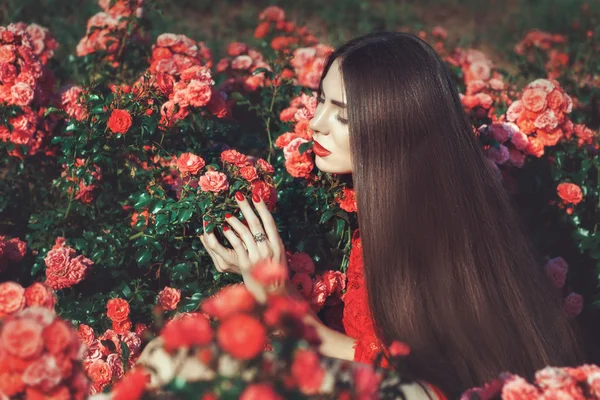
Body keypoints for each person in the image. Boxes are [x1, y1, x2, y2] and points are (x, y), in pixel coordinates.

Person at [199, 31, 583, 397]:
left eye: (344, 116)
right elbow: (372, 356)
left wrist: (274, 299)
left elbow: (415, 387)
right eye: (321, 101)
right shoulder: (412, 207)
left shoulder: (428, 239)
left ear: (395, 129)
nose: (316, 123)